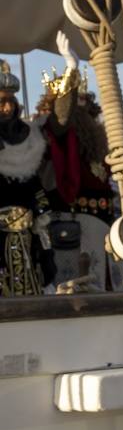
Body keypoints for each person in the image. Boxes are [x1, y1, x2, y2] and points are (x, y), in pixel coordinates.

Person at [35, 34, 116, 290]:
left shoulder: (98, 143)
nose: (79, 110)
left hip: (100, 229)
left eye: (83, 103)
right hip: (67, 227)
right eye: (74, 103)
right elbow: (63, 117)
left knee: (102, 290)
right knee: (69, 290)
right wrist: (71, 68)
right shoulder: (52, 132)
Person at [0, 60, 55, 296]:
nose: (6, 109)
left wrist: (42, 215)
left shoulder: (28, 139)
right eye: (1, 103)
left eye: (10, 103)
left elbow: (35, 188)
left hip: (25, 235)